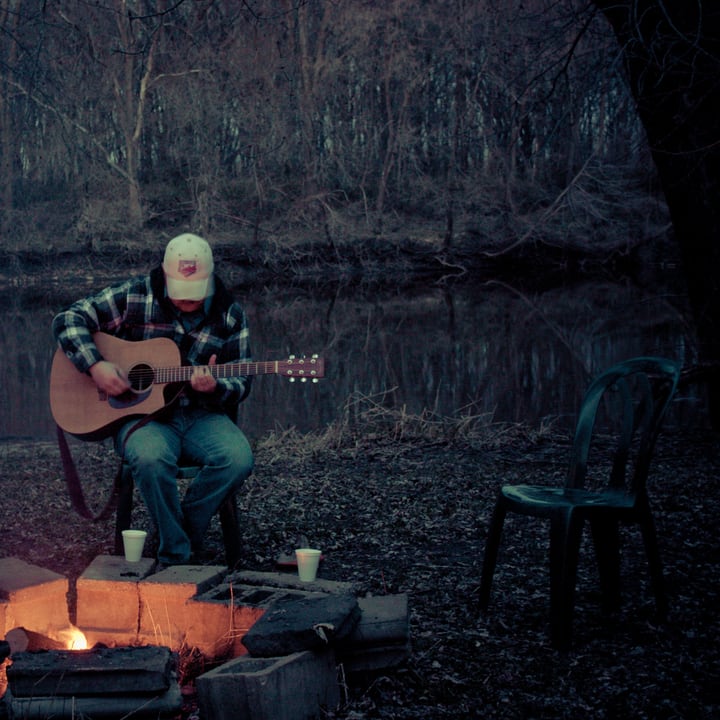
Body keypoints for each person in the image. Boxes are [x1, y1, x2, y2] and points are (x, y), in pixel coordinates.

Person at [52, 233, 254, 567]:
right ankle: (178, 556)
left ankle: (180, 532)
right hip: (144, 418)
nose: (186, 301)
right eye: (180, 292)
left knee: (237, 459)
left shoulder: (230, 313)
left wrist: (215, 387)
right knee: (149, 458)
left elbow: (242, 380)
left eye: (195, 292)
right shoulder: (134, 295)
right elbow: (68, 319)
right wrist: (95, 364)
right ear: (165, 274)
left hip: (203, 415)